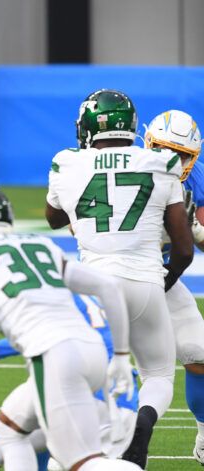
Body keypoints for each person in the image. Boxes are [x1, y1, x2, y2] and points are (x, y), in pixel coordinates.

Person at [0, 183, 139, 471]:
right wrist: (120, 355)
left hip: (54, 356)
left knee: (82, 463)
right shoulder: (40, 243)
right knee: (10, 431)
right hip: (91, 350)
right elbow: (107, 287)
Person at [45, 89, 194, 468]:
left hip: (93, 287)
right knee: (158, 375)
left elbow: (54, 218)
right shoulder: (162, 163)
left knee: (88, 378)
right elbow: (184, 248)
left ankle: (84, 452)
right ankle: (141, 424)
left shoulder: (66, 162)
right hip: (145, 281)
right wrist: (164, 279)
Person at [0, 295, 139, 470]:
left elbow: (40, 332)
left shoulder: (47, 295)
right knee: (35, 434)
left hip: (82, 393)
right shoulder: (85, 293)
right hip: (124, 402)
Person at [144, 109, 204, 464]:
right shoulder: (129, 170)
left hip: (163, 275)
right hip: (113, 277)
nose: (173, 160)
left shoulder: (194, 175)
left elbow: (196, 237)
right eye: (164, 149)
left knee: (199, 352)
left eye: (181, 154)